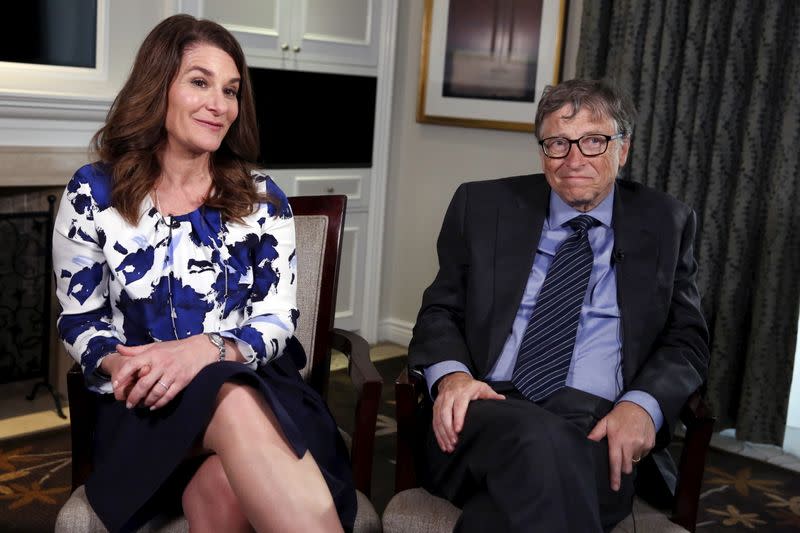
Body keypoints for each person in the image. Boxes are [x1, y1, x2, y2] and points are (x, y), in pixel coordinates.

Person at [53, 14, 354, 533]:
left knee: (222, 477)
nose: (220, 104)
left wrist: (207, 351)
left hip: (260, 395)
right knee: (225, 400)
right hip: (144, 408)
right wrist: (126, 369)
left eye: (231, 90)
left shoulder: (261, 198)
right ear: (158, 87)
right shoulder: (92, 193)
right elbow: (81, 320)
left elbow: (279, 317)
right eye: (200, 82)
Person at [408, 78, 710, 532]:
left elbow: (686, 338)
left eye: (593, 141)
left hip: (597, 424)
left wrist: (641, 407)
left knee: (497, 514)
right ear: (542, 151)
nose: (574, 160)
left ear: (622, 150)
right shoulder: (484, 205)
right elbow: (440, 311)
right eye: (558, 143)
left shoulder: (665, 221)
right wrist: (451, 377)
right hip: (488, 408)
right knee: (538, 438)